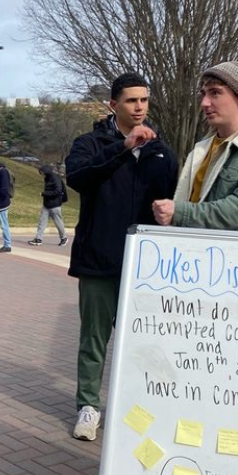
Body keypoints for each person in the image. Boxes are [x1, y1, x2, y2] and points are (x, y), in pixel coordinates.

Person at [65, 72, 178, 441]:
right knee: (94, 339)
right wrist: (123, 146)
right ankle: (88, 406)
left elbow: (173, 202)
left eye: (144, 100)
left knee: (142, 342)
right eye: (132, 100)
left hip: (145, 268)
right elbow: (79, 177)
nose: (140, 107)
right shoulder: (90, 143)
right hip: (99, 259)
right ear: (114, 105)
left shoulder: (163, 151)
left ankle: (135, 406)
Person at [152, 61, 238, 231]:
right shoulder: (202, 147)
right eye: (203, 94)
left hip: (235, 254)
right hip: (192, 251)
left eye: (215, 93)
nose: (204, 103)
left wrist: (180, 213)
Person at [27, 164, 69, 246]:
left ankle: (64, 238)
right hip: (46, 204)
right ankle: (38, 239)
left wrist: (44, 193)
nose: (41, 174)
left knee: (58, 223)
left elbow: (58, 191)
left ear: (46, 172)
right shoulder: (47, 178)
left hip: (55, 205)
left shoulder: (55, 178)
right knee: (42, 222)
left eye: (42, 173)